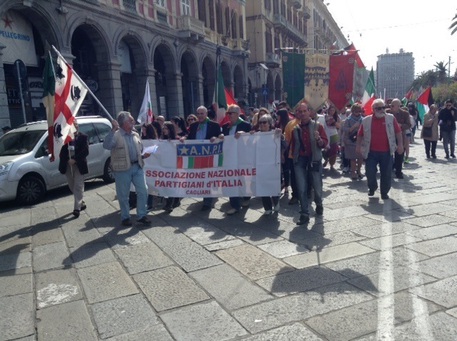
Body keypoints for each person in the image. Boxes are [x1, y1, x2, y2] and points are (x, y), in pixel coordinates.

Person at [103, 111, 151, 226]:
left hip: (137, 166)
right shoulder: (116, 134)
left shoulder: (135, 134)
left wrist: (144, 155)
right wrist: (112, 130)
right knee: (123, 195)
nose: (133, 121)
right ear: (124, 122)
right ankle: (125, 217)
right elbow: (107, 145)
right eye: (131, 120)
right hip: (122, 169)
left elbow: (139, 150)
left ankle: (141, 215)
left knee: (143, 191)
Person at [289, 101, 328, 225]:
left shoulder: (318, 126)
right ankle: (304, 213)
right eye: (300, 111)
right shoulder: (295, 129)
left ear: (310, 112)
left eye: (304, 111)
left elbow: (324, 144)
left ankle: (319, 203)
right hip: (300, 160)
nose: (302, 113)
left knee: (317, 186)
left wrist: (318, 139)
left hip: (314, 159)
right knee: (301, 187)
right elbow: (293, 146)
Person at [356, 99, 403, 200]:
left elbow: (398, 132)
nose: (382, 110)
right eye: (378, 108)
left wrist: (400, 145)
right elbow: (360, 135)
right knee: (369, 172)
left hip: (387, 151)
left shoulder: (390, 118)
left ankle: (384, 192)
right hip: (371, 152)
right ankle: (372, 187)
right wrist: (358, 146)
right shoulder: (366, 120)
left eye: (383, 107)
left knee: (386, 173)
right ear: (373, 109)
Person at [182, 105, 222, 211]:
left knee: (208, 178)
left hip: (210, 156)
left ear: (206, 114)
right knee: (201, 178)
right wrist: (184, 138)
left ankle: (207, 203)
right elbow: (190, 136)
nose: (200, 116)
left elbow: (221, 136)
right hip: (197, 156)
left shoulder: (214, 125)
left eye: (202, 113)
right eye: (198, 114)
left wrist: (217, 137)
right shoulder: (194, 125)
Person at [220, 104, 252, 215]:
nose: (229, 115)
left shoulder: (246, 125)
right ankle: (235, 204)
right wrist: (220, 137)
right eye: (228, 113)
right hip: (230, 158)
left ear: (238, 114)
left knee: (243, 179)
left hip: (242, 157)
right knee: (231, 180)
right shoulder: (225, 126)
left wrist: (244, 134)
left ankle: (246, 197)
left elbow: (252, 140)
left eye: (231, 113)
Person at [251, 114, 281, 215]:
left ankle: (276, 201)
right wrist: (248, 136)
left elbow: (283, 144)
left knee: (272, 184)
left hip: (272, 164)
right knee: (262, 186)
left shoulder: (275, 133)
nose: (262, 124)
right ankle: (267, 207)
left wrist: (280, 136)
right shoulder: (256, 135)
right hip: (260, 165)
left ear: (269, 124)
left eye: (264, 122)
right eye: (260, 122)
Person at [58, 120, 89, 218]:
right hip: (68, 165)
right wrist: (68, 159)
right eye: (73, 125)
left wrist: (75, 159)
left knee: (78, 186)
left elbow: (85, 151)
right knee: (72, 185)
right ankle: (81, 202)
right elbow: (61, 152)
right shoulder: (65, 138)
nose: (76, 126)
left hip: (79, 164)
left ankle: (77, 209)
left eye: (77, 124)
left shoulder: (83, 137)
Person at [388, 98, 410, 179]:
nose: (391, 106)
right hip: (389, 136)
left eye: (393, 105)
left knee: (399, 154)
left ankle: (398, 171)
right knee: (388, 154)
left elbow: (408, 124)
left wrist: (400, 125)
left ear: (398, 106)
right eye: (391, 105)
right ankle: (388, 170)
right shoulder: (387, 112)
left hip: (400, 136)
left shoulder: (404, 113)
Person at [342, 103, 363, 180]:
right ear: (353, 111)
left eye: (359, 111)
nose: (358, 113)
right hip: (351, 140)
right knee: (353, 158)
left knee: (360, 157)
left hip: (360, 140)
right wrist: (354, 127)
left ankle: (359, 170)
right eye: (356, 111)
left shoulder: (362, 119)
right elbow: (345, 130)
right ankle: (353, 172)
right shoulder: (348, 119)